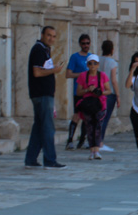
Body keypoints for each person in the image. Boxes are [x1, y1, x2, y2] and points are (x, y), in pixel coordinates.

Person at [24, 26, 67, 169]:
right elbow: (37, 72)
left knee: (39, 127)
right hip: (41, 95)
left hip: (43, 94)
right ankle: (50, 160)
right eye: (49, 35)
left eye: (54, 36)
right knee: (48, 128)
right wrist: (55, 70)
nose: (51, 39)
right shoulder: (39, 50)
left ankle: (30, 159)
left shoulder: (44, 50)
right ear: (42, 35)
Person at [75, 54, 111, 160]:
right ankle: (92, 150)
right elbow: (78, 92)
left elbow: (109, 90)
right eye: (90, 63)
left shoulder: (102, 75)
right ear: (87, 64)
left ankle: (97, 150)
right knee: (90, 127)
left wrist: (99, 92)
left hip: (100, 104)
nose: (93, 66)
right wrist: (87, 89)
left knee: (98, 127)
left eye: (95, 63)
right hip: (88, 104)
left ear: (98, 64)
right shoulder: (83, 76)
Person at [65, 33, 92, 149]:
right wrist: (82, 75)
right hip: (79, 91)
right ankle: (70, 140)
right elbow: (68, 74)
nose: (85, 45)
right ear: (80, 44)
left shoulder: (91, 57)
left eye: (87, 43)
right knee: (77, 115)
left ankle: (82, 140)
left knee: (87, 116)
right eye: (83, 43)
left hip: (89, 92)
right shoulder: (75, 57)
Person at [98, 40, 119, 152]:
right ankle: (100, 142)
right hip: (109, 93)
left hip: (98, 92)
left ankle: (94, 141)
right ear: (112, 50)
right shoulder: (112, 63)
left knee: (97, 118)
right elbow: (114, 80)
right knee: (105, 118)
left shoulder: (97, 60)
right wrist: (118, 95)